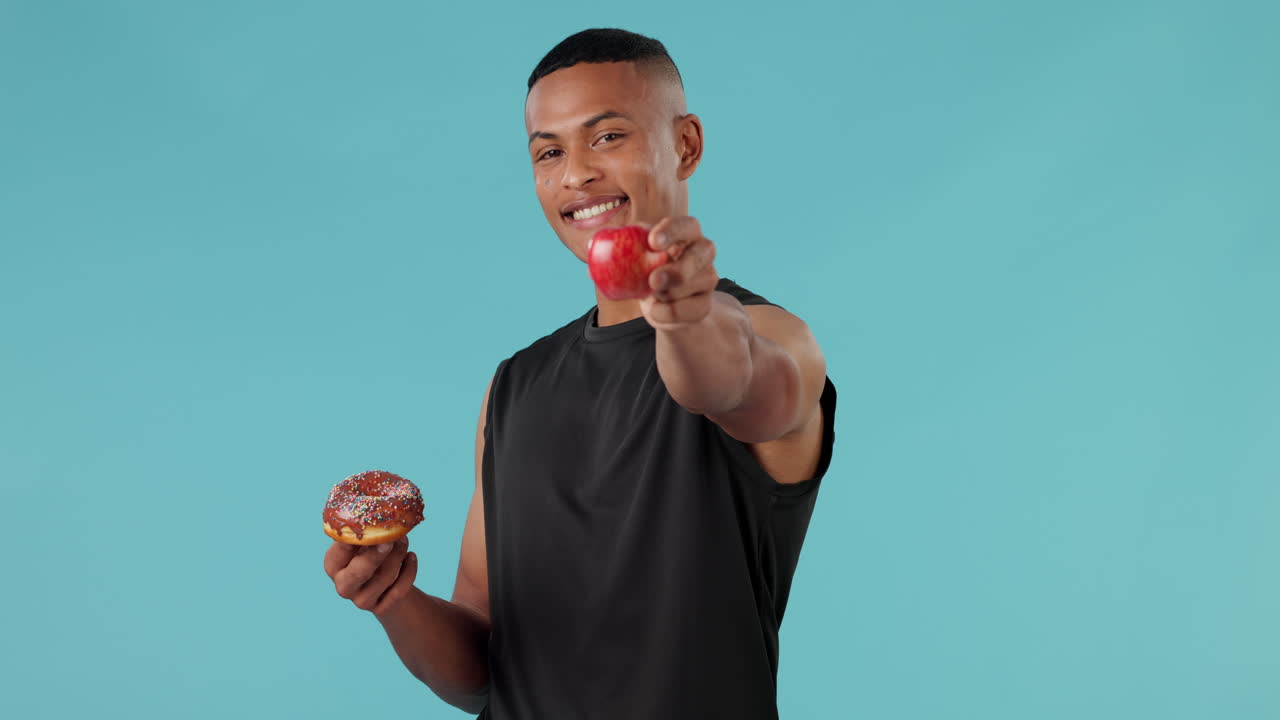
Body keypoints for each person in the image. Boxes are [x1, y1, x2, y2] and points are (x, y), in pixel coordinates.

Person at [323, 28, 837, 719]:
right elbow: (481, 672)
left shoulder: (770, 337)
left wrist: (684, 319)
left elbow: (730, 385)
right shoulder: (512, 387)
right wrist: (394, 601)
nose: (575, 175)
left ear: (685, 145)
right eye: (548, 152)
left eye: (606, 138)